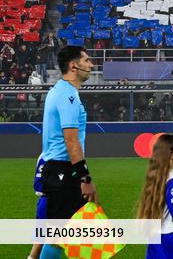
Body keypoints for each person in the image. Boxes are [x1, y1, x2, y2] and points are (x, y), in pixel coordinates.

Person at [38, 46, 95, 259]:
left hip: (61, 169)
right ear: (74, 65)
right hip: (62, 170)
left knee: (76, 233)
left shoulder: (63, 91)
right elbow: (71, 142)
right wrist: (85, 177)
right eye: (87, 61)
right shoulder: (68, 96)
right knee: (60, 235)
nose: (91, 65)